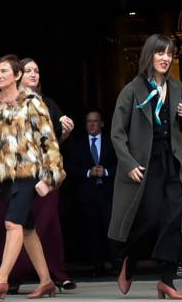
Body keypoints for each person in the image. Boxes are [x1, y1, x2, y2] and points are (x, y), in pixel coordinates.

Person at [0, 55, 64, 299]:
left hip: (29, 172)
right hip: (5, 176)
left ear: (17, 75)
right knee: (28, 228)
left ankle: (1, 279)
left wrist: (50, 175)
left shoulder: (33, 103)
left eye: (4, 71)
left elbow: (48, 139)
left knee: (13, 223)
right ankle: (45, 281)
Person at [110, 34, 182, 299]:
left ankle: (167, 279)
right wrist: (128, 164)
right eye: (160, 53)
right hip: (145, 165)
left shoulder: (176, 86)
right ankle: (129, 259)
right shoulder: (132, 90)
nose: (165, 58)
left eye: (169, 54)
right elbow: (117, 133)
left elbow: (180, 124)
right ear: (149, 55)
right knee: (149, 218)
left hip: (172, 160)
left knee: (174, 217)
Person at [18, 57, 74, 290]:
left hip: (47, 173)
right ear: (18, 74)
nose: (34, 74)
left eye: (37, 71)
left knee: (49, 222)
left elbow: (56, 141)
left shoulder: (49, 103)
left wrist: (65, 131)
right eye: (28, 70)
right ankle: (14, 275)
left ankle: (57, 274)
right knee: (20, 224)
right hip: (21, 172)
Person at [67, 109, 116, 275]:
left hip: (108, 194)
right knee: (92, 231)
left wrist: (106, 172)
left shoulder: (112, 142)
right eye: (89, 121)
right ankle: (97, 265)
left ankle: (116, 264)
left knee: (111, 230)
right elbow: (70, 168)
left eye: (95, 121)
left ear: (101, 123)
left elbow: (123, 166)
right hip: (87, 196)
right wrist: (89, 172)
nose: (92, 124)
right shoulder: (77, 145)